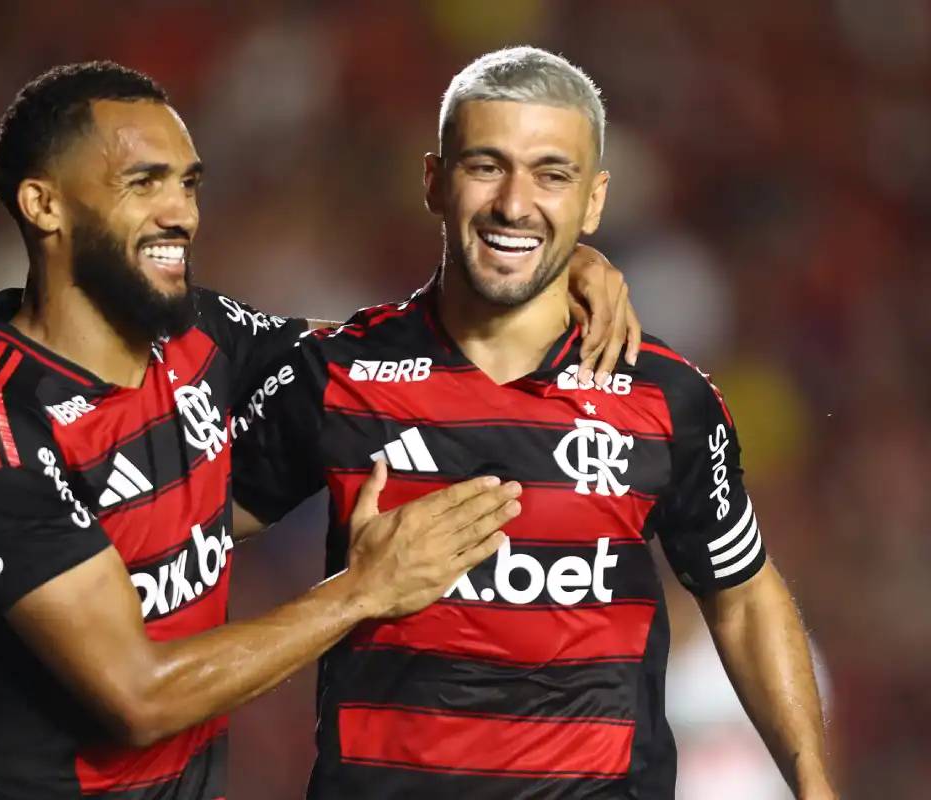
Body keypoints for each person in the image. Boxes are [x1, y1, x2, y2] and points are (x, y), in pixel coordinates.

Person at [0, 62, 638, 800]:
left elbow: (394, 358)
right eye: (143, 183)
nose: (180, 213)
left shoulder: (200, 337)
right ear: (44, 205)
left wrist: (551, 269)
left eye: (188, 184)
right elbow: (138, 698)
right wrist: (363, 591)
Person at [230, 47, 838, 799]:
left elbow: (741, 593)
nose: (515, 203)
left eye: (552, 174)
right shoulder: (339, 376)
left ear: (593, 202)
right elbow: (181, 528)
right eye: (486, 166)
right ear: (434, 181)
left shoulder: (666, 396)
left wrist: (815, 788)